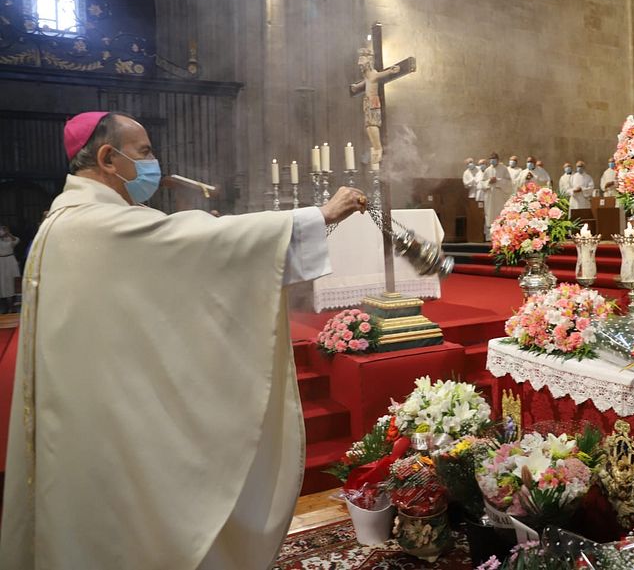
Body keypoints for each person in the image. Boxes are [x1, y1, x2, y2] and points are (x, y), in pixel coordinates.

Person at [0, 111, 367, 570]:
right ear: (108, 158)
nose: (154, 163)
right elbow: (201, 245)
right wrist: (321, 216)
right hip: (106, 428)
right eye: (145, 152)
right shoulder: (95, 225)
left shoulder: (70, 219)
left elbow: (171, 267)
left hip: (89, 413)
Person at [479, 152, 512, 238]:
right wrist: (488, 182)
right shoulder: (487, 170)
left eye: (494, 159)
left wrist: (498, 180)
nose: (492, 160)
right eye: (491, 159)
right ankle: (490, 236)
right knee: (489, 215)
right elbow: (482, 183)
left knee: (499, 214)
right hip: (490, 196)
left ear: (498, 159)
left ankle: (502, 235)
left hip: (499, 196)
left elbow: (509, 182)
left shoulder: (504, 169)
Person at [0, 225, 19, 313]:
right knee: (3, 282)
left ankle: (13, 304)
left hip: (10, 260)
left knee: (13, 280)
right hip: (1, 261)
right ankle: (5, 305)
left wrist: (8, 234)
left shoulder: (11, 239)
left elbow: (17, 241)